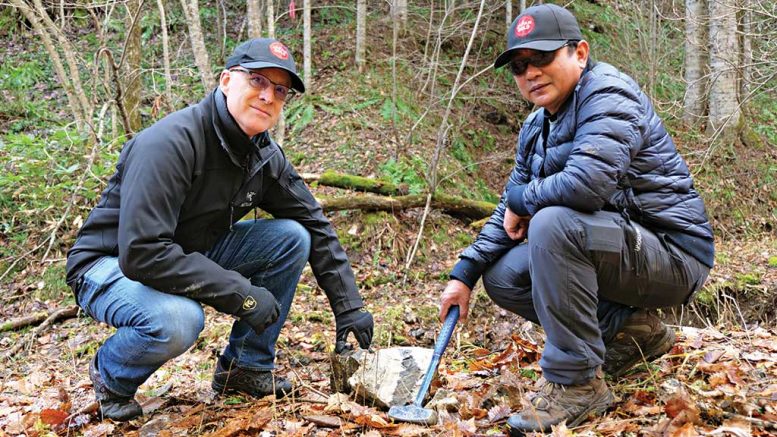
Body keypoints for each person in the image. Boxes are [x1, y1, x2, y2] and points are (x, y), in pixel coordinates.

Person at [66, 38, 374, 422]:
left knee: (293, 237)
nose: (268, 96)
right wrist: (242, 295)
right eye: (257, 81)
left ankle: (245, 368)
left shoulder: (263, 155)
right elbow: (142, 252)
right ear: (227, 80)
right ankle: (112, 376)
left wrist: (349, 307)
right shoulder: (170, 143)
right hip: (109, 262)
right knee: (179, 319)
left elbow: (315, 223)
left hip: (188, 251)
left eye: (280, 90)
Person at [438, 4, 713, 434]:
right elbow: (509, 211)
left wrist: (520, 198)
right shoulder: (536, 126)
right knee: (505, 274)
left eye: (543, 58)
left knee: (551, 223)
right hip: (617, 248)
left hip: (673, 254)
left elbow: (585, 186)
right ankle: (633, 331)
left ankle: (578, 383)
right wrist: (465, 272)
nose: (530, 73)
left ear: (580, 53)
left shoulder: (609, 94)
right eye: (519, 65)